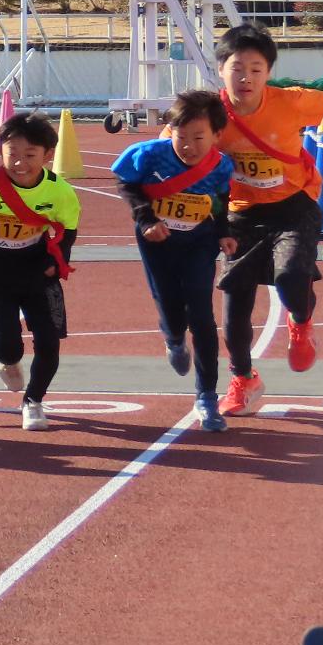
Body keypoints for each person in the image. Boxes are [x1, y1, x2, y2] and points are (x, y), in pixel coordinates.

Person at [211, 24, 323, 417]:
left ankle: (301, 319)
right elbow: (176, 141)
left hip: (294, 205)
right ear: (221, 69)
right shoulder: (210, 113)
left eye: (256, 69)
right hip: (239, 214)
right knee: (233, 309)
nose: (246, 78)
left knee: (291, 277)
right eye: (237, 68)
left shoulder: (291, 102)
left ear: (269, 73)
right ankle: (244, 380)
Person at [112, 89, 235, 432]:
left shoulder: (221, 165)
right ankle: (173, 337)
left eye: (199, 137)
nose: (189, 145)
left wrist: (224, 232)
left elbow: (220, 200)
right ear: (171, 131)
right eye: (182, 136)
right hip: (157, 240)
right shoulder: (148, 155)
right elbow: (126, 183)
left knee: (202, 314)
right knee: (169, 303)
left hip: (199, 241)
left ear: (216, 136)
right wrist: (146, 219)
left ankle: (207, 396)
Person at [0, 111, 81, 431]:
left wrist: (58, 259)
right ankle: (6, 359)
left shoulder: (59, 191)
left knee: (49, 343)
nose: (20, 163)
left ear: (48, 155)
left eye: (30, 155)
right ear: (0, 151)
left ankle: (33, 401)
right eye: (12, 154)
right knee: (9, 346)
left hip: (37, 271)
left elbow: (70, 226)